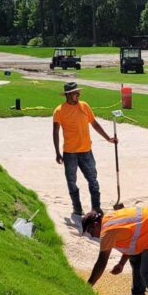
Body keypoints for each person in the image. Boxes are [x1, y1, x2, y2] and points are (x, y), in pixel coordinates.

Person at [52, 82, 116, 216]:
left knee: (93, 179)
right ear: (69, 94)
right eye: (76, 92)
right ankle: (77, 208)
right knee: (71, 181)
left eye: (78, 92)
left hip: (86, 150)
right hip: (70, 153)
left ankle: (96, 208)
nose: (78, 94)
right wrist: (57, 153)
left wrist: (108, 138)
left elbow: (94, 124)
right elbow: (55, 132)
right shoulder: (59, 111)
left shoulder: (84, 106)